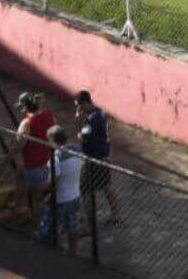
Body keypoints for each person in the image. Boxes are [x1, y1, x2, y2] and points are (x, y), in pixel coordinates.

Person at [75, 90, 121, 224]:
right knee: (106, 185)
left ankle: (90, 220)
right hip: (102, 155)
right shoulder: (99, 112)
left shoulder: (91, 119)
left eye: (78, 105)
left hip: (94, 158)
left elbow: (83, 137)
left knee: (84, 189)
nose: (77, 108)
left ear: (83, 103)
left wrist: (79, 121)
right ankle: (116, 214)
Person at [37, 125, 83, 255]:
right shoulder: (77, 150)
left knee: (48, 227)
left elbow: (53, 180)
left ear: (52, 140)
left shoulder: (56, 158)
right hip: (76, 195)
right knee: (72, 225)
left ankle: (51, 252)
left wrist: (43, 192)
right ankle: (72, 252)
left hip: (61, 199)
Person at [12, 91, 56, 220]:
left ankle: (39, 223)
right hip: (46, 162)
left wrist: (6, 162)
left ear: (25, 107)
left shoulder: (27, 123)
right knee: (40, 195)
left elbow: (17, 146)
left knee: (36, 197)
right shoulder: (49, 115)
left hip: (32, 165)